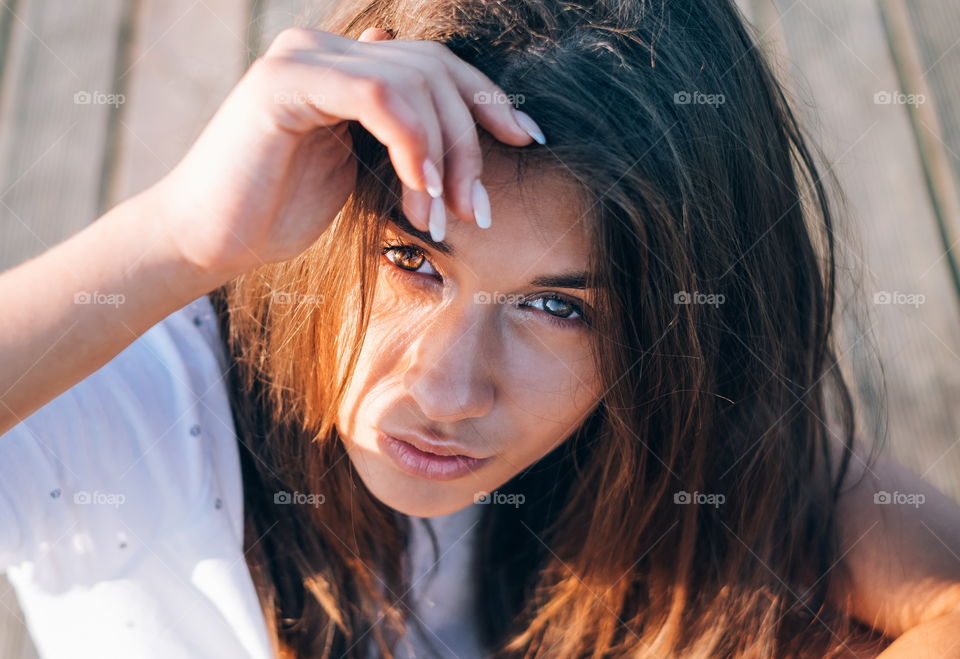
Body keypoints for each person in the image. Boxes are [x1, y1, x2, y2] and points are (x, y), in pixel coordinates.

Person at [1, 0, 959, 657]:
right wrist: (177, 239)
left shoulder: (661, 429)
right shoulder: (146, 423)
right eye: (413, 261)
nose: (448, 390)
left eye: (558, 307)